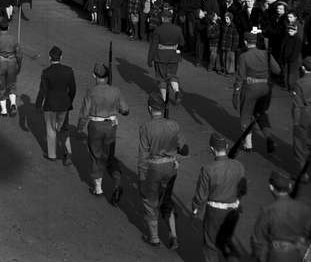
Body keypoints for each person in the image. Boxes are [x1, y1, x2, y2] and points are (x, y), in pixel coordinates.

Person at [137, 91, 189, 248]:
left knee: (150, 201)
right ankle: (173, 234)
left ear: (149, 108)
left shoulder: (146, 127)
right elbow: (184, 149)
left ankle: (154, 237)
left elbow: (143, 156)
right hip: (171, 168)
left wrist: (141, 177)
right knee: (167, 200)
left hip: (154, 168)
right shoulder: (174, 125)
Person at [191, 133, 247, 261]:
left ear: (212, 149)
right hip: (233, 211)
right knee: (227, 241)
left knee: (210, 245)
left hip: (215, 212)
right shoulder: (239, 166)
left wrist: (195, 211)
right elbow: (242, 190)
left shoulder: (208, 169)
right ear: (227, 146)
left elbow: (201, 196)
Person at [78, 63, 129, 203]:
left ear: (94, 75)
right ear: (107, 76)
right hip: (111, 126)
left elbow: (85, 112)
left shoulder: (91, 91)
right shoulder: (116, 91)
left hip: (95, 125)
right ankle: (117, 181)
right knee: (109, 156)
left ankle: (98, 188)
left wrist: (80, 127)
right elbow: (125, 110)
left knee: (96, 156)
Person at [234, 30, 282, 153]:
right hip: (266, 88)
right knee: (261, 113)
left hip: (251, 89)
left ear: (245, 42)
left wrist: (236, 92)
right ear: (255, 42)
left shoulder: (243, 57)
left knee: (246, 115)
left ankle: (248, 145)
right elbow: (277, 70)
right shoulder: (266, 54)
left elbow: (240, 77)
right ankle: (269, 138)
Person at [251, 170, 311, 262]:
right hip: (297, 254)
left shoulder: (268, 210)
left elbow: (258, 239)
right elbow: (307, 231)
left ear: (271, 187)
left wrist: (259, 256)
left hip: (275, 255)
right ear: (290, 187)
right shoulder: (304, 208)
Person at [34, 45, 76, 165]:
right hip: (64, 104)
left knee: (51, 129)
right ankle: (68, 152)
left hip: (50, 104)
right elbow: (73, 89)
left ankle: (52, 154)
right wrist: (69, 101)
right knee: (64, 129)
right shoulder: (69, 71)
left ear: (49, 57)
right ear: (61, 57)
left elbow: (42, 90)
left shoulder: (46, 72)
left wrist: (38, 104)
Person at [148, 6, 184, 110]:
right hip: (173, 56)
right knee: (172, 75)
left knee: (161, 78)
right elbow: (182, 43)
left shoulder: (158, 30)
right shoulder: (178, 29)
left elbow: (153, 46)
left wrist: (150, 59)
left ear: (163, 18)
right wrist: (177, 50)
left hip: (161, 57)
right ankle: (177, 91)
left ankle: (164, 100)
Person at [0, 19, 21, 117]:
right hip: (12, 62)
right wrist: (19, 65)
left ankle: (4, 110)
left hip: (1, 63)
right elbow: (19, 55)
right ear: (8, 28)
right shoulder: (14, 39)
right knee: (12, 85)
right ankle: (13, 103)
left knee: (1, 86)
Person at [292, 57, 311, 184]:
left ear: (303, 68)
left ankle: (303, 174)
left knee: (300, 145)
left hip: (305, 114)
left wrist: (296, 122)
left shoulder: (300, 82)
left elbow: (297, 105)